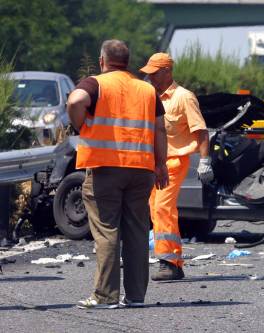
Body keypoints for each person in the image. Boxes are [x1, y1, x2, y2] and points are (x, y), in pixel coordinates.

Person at [67, 39, 168, 309]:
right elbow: (160, 129)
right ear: (128, 61)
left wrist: (81, 125)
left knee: (107, 230)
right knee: (136, 230)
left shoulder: (96, 83)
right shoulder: (147, 89)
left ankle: (105, 296)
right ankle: (136, 296)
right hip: (141, 169)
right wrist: (161, 165)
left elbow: (76, 100)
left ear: (103, 61)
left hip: (105, 169)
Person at [140, 53, 213, 281]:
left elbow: (200, 131)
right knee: (155, 208)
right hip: (154, 162)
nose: (150, 77)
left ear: (167, 72)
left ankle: (169, 263)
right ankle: (174, 262)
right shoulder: (151, 96)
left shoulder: (184, 97)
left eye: (154, 73)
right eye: (148, 73)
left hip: (174, 161)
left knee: (163, 208)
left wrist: (205, 160)